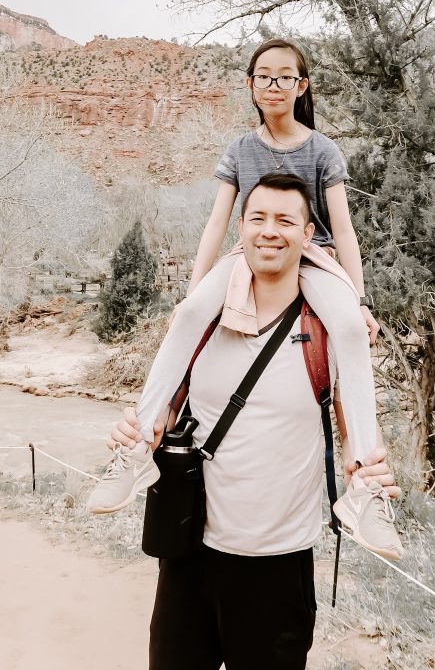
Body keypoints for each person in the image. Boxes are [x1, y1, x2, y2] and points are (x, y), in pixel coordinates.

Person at [88, 38, 401, 558]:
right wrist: (195, 293)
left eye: (285, 77)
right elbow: (217, 222)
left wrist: (361, 299)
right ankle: (138, 445)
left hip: (312, 254)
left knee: (348, 331)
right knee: (188, 317)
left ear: (302, 86)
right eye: (264, 76)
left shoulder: (322, 150)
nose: (274, 85)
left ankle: (366, 486)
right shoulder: (240, 148)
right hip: (247, 252)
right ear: (251, 86)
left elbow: (342, 230)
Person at [109, 176, 401, 670]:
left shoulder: (323, 329)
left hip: (279, 566)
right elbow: (162, 413)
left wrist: (368, 474)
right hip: (189, 556)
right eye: (258, 218)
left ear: (308, 235)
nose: (270, 231)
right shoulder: (205, 320)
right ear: (239, 229)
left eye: (286, 221)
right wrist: (132, 432)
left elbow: (353, 429)